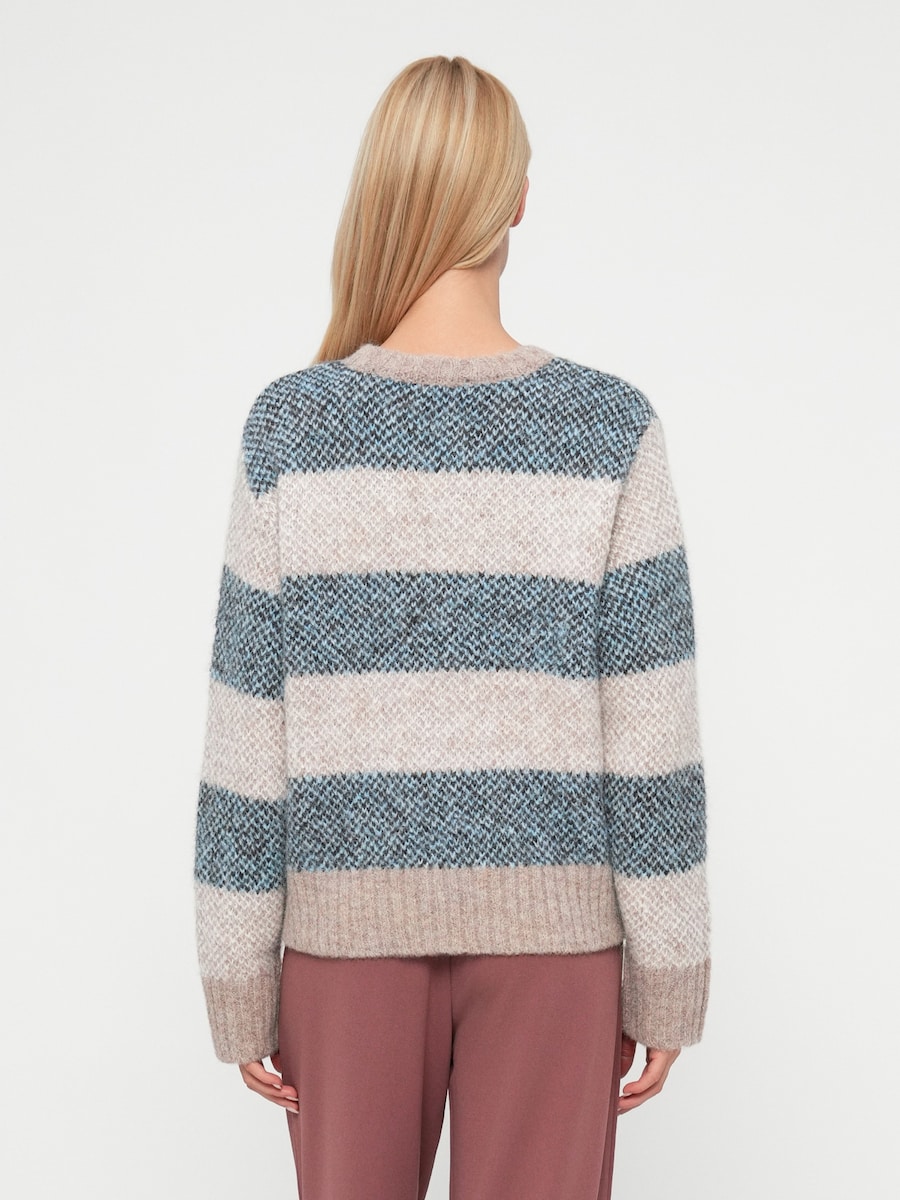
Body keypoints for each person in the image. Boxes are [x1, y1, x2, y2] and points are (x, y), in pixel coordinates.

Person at [193, 54, 711, 1199]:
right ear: (516, 198)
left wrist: (235, 978)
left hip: (341, 950)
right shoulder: (608, 429)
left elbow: (247, 735)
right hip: (558, 952)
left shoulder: (292, 428)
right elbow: (653, 740)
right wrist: (670, 973)